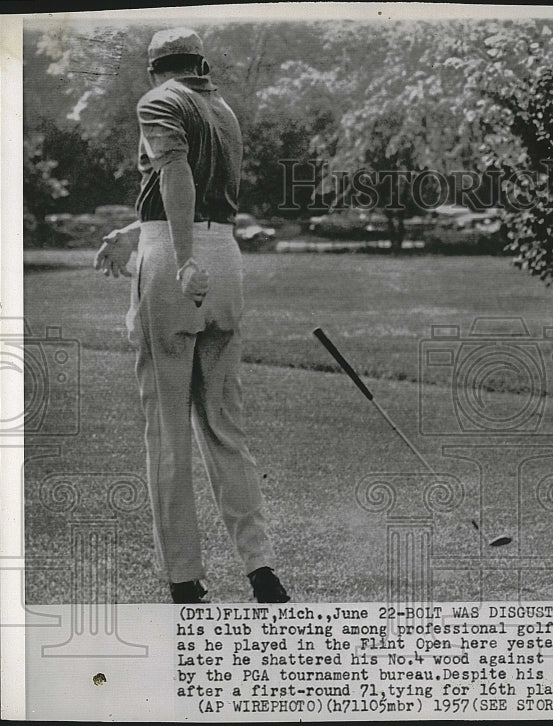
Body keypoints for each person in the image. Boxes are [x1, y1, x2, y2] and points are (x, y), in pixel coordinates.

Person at [95, 28, 290, 603]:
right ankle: (261, 569)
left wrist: (179, 259)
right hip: (226, 258)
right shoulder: (222, 109)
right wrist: (135, 230)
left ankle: (184, 579)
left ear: (155, 69)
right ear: (202, 64)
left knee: (168, 430)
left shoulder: (158, 101)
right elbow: (202, 196)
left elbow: (176, 177)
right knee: (226, 427)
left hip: (175, 264)